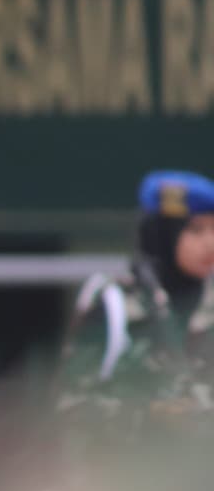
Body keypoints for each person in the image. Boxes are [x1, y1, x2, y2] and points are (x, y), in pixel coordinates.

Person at [57, 169, 214, 427]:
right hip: (138, 461)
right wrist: (150, 414)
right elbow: (71, 404)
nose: (210, 243)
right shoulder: (116, 305)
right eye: (196, 230)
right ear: (164, 234)